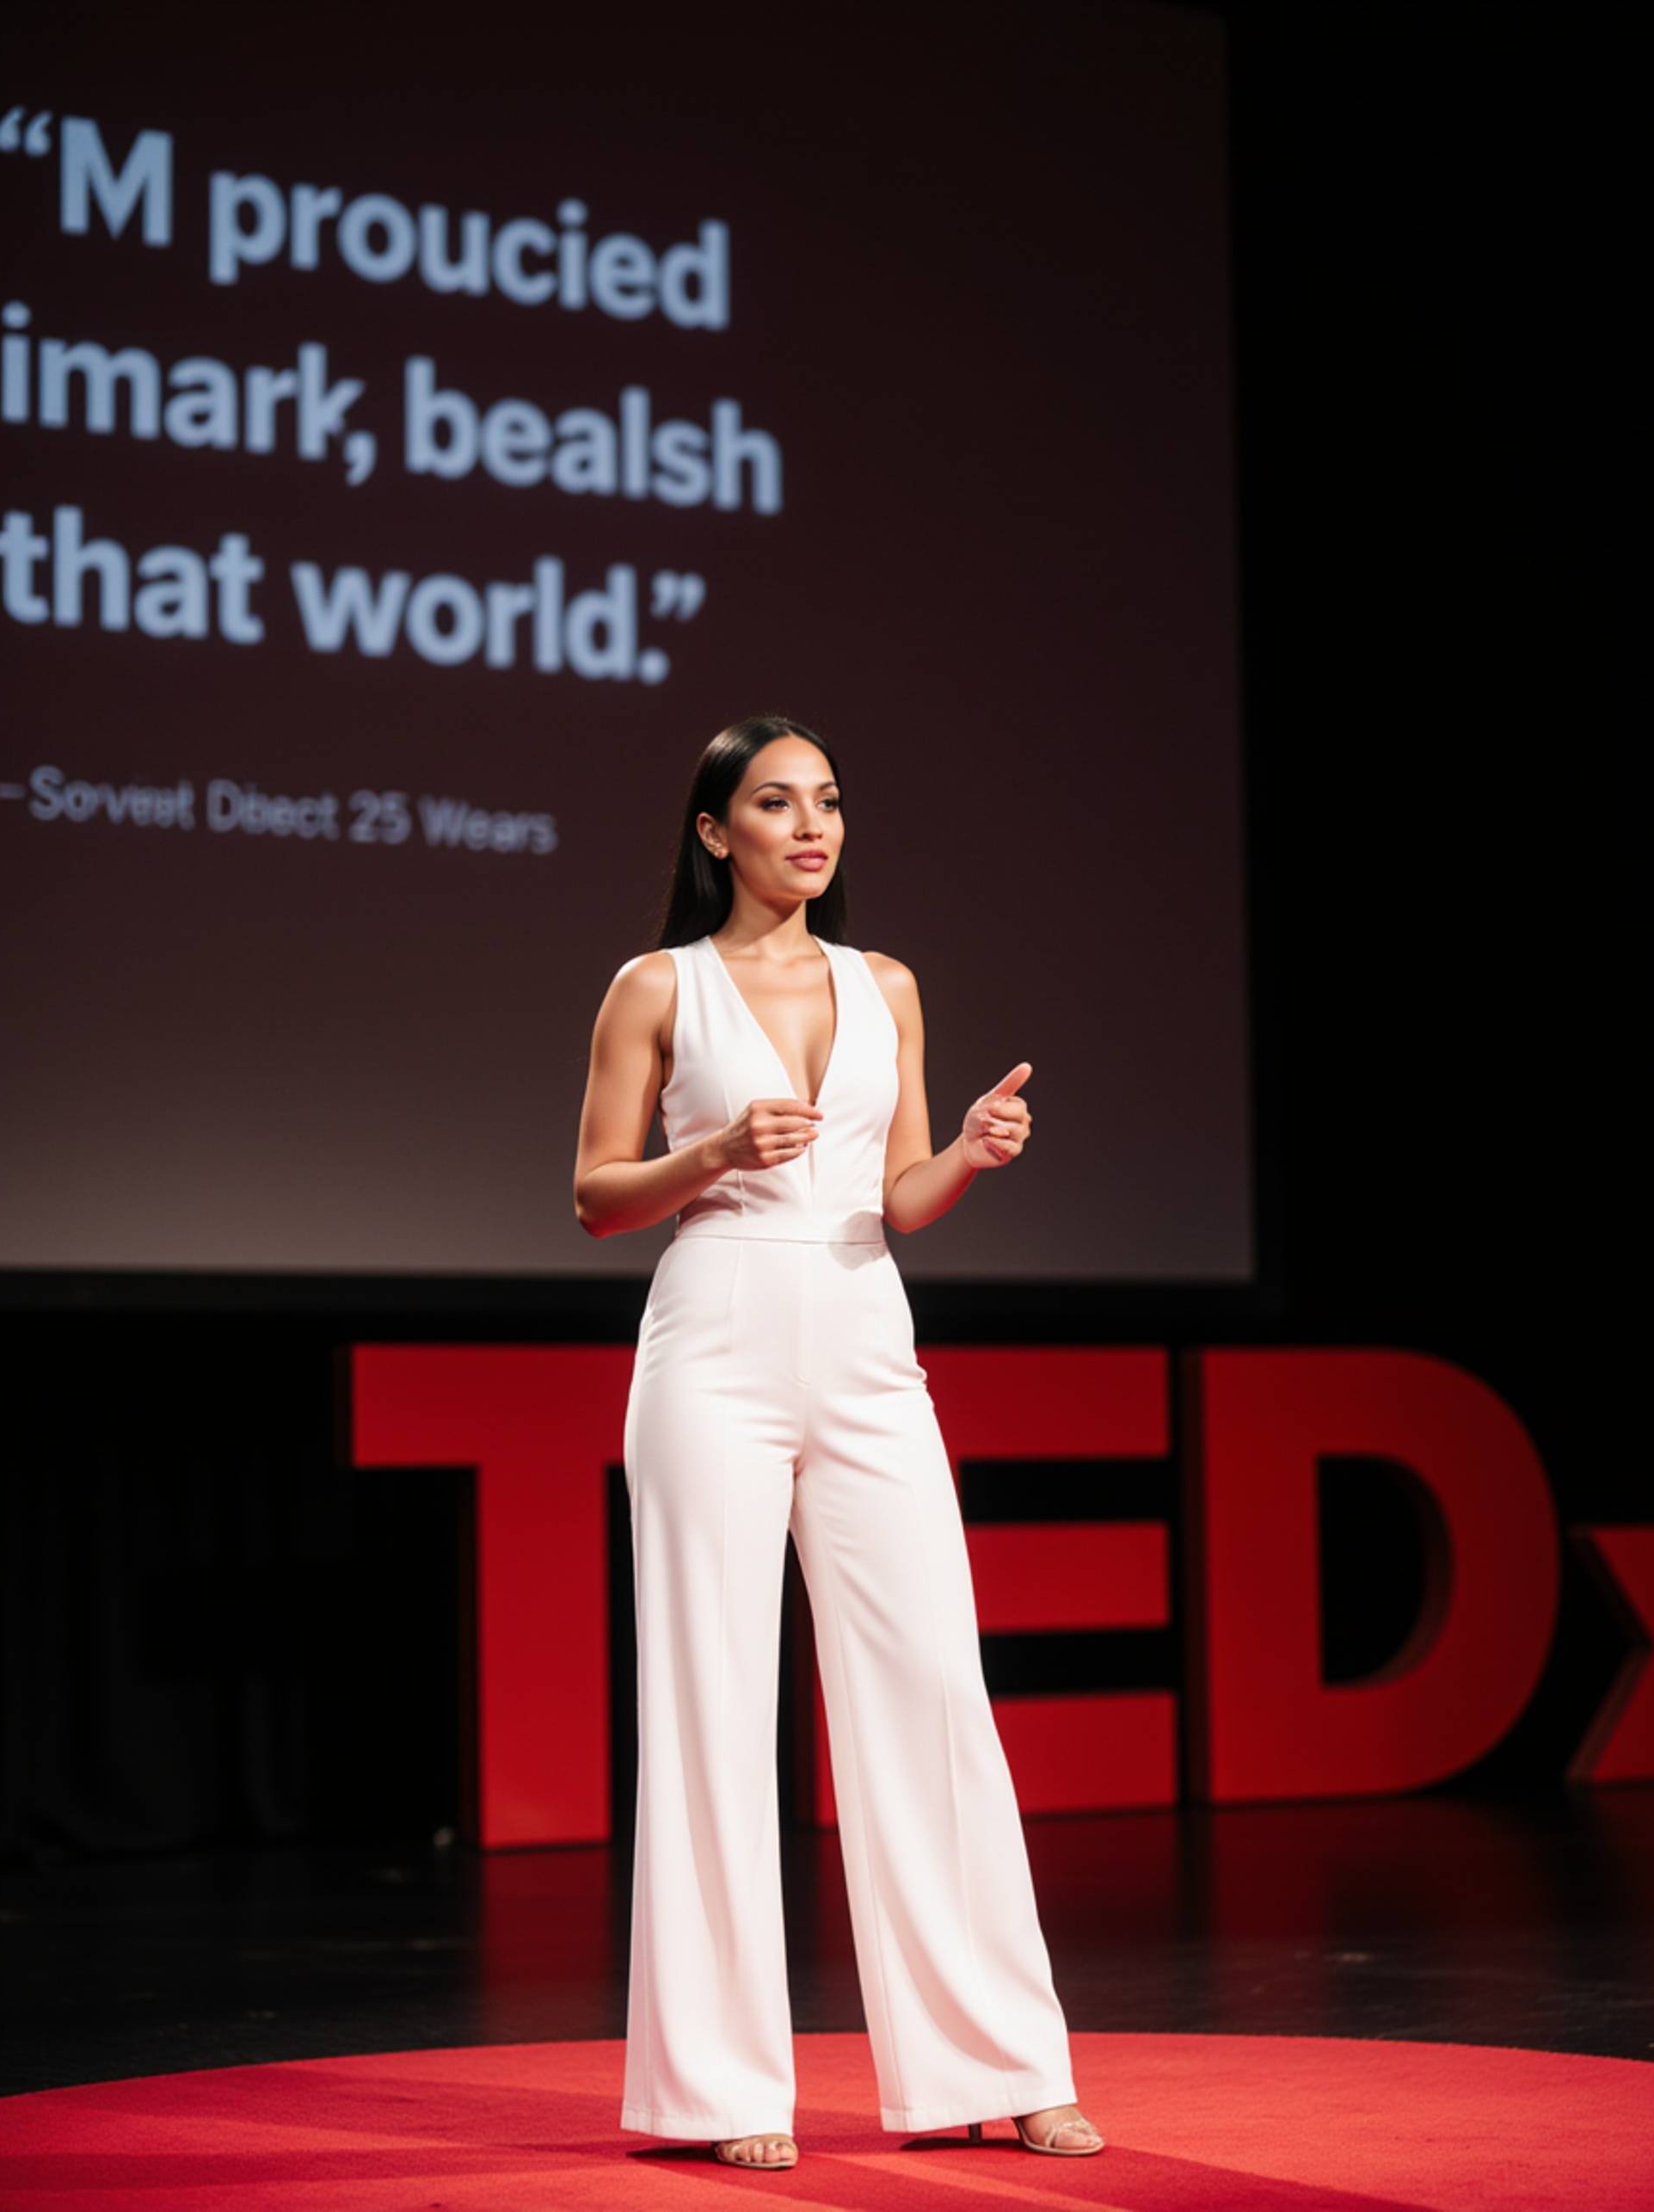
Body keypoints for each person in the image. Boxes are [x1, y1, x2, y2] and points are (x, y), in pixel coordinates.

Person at [573, 712, 1105, 2171]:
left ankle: (997, 2059)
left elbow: (896, 1193)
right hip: (716, 1335)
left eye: (827, 803)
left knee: (933, 1689)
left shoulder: (888, 986)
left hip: (868, 1335)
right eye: (774, 803)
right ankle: (721, 2088)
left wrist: (968, 1159)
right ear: (712, 832)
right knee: (713, 1701)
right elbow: (596, 1195)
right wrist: (711, 1154)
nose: (810, 827)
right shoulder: (656, 986)